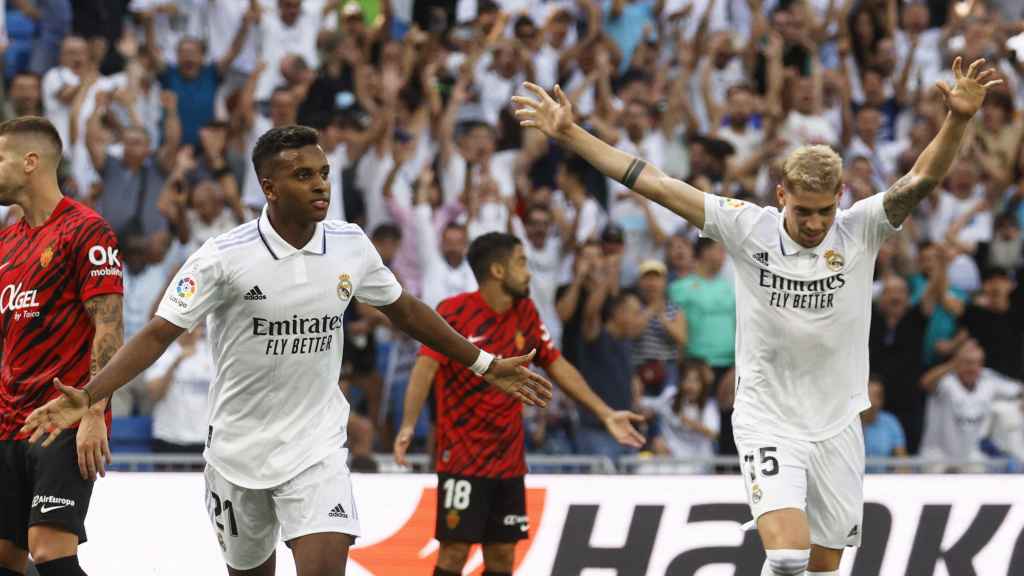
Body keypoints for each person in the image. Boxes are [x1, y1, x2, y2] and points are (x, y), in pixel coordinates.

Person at [512, 56, 1000, 576]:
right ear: (781, 195)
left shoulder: (861, 229)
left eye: (824, 211)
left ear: (840, 197)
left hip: (838, 421)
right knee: (787, 555)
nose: (814, 223)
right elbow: (655, 182)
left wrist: (958, 118)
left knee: (824, 566)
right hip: (768, 415)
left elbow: (920, 178)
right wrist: (573, 134)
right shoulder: (747, 227)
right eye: (802, 210)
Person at [20, 125, 553, 576]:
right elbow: (159, 333)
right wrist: (91, 395)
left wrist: (482, 363)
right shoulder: (222, 257)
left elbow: (406, 310)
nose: (320, 185)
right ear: (269, 187)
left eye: (323, 173)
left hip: (316, 448)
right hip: (237, 454)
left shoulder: (349, 244)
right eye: (303, 176)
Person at [393, 232, 644, 576]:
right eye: (522, 263)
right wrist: (408, 425)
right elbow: (425, 368)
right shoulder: (454, 311)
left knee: (502, 556)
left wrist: (605, 412)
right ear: (498, 271)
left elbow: (556, 363)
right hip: (462, 458)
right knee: (453, 553)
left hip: (509, 462)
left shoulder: (525, 312)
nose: (529, 272)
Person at [0, 117, 123, 576]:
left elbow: (109, 328)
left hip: (65, 416)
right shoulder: (7, 241)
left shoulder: (86, 230)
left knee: (49, 551)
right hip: (9, 419)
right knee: (5, 556)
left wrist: (93, 411)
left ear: (30, 162)